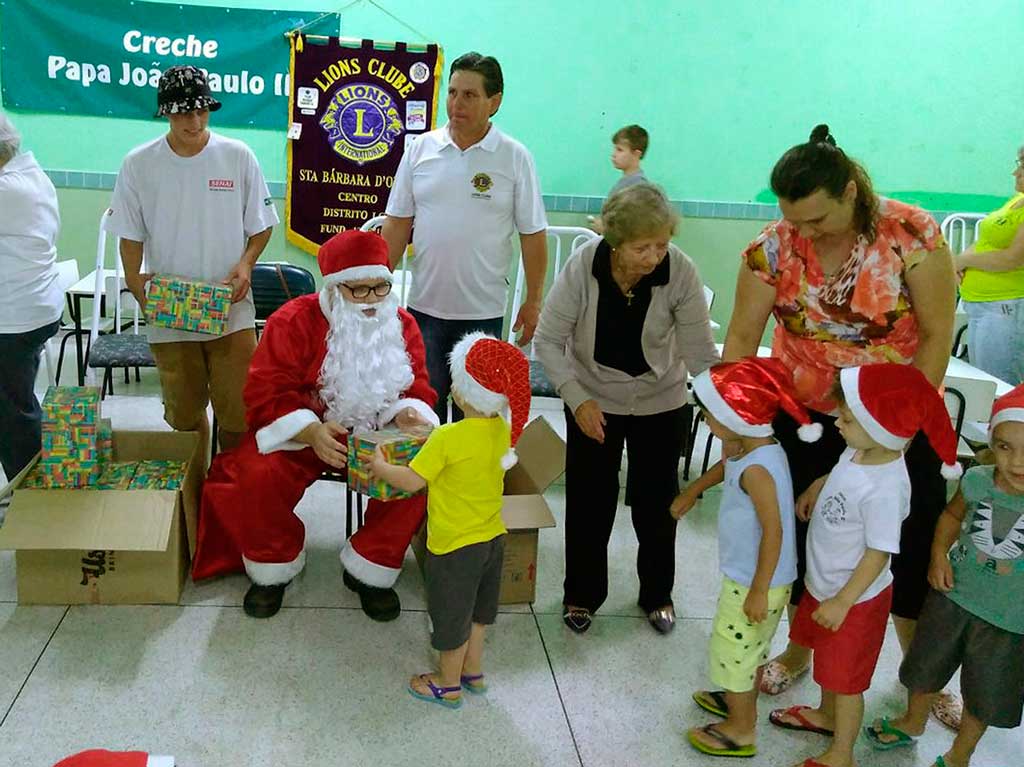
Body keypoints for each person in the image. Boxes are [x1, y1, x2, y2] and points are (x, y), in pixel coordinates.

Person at [721, 125, 957, 705]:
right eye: (793, 219)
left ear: (850, 192)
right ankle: (799, 653)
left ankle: (923, 680)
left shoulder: (912, 235)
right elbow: (742, 336)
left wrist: (897, 432)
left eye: (816, 220)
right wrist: (737, 417)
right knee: (808, 540)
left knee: (906, 539)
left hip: (897, 417)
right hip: (805, 417)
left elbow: (935, 333)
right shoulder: (771, 248)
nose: (802, 232)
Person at [191, 231, 439, 621]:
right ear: (336, 288)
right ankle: (274, 564)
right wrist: (309, 431)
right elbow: (265, 391)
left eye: (381, 287)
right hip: (308, 433)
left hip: (377, 436)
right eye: (360, 290)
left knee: (424, 467)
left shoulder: (401, 322)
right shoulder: (292, 321)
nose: (374, 301)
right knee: (257, 471)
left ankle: (371, 565)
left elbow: (418, 385)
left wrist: (409, 412)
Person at [534, 182, 719, 635]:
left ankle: (657, 594)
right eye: (642, 248)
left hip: (662, 400)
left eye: (662, 245)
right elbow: (548, 342)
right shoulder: (583, 266)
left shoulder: (680, 271)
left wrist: (722, 407)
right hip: (593, 400)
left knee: (657, 505)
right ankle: (582, 594)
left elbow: (700, 353)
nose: (654, 257)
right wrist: (577, 400)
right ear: (615, 242)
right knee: (589, 502)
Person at [767, 364, 960, 767]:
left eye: (848, 418)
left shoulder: (886, 488)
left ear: (884, 426)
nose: (837, 421)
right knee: (827, 665)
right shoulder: (860, 450)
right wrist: (818, 486)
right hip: (826, 585)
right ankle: (824, 713)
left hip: (853, 601)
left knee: (847, 683)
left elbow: (878, 554)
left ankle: (842, 754)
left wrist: (842, 602)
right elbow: (842, 472)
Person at [105, 65, 279, 452]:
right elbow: (129, 234)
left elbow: (262, 224)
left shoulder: (236, 156)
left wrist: (247, 262)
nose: (195, 121)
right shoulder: (139, 163)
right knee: (184, 418)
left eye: (202, 111)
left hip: (229, 307)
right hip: (171, 310)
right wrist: (135, 282)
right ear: (165, 112)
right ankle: (193, 499)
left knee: (238, 413)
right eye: (184, 112)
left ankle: (230, 495)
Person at [381, 51, 548, 423]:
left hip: (483, 314)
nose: (457, 104)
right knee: (424, 415)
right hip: (424, 309)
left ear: (495, 101)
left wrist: (534, 300)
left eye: (470, 95)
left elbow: (533, 235)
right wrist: (378, 284)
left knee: (477, 420)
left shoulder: (514, 157)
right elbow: (396, 222)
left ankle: (470, 483)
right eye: (453, 92)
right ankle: (427, 484)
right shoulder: (419, 149)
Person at [865, 384, 1024, 767]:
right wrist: (938, 554)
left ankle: (959, 755)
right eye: (1005, 447)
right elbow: (952, 516)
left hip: (1009, 621)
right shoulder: (978, 480)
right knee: (925, 666)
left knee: (985, 694)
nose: (1018, 462)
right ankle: (912, 721)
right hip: (953, 597)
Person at [369, 332, 530, 709]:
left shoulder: (446, 438)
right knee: (478, 613)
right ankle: (474, 672)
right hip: (493, 540)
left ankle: (448, 683)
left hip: (454, 547)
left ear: (461, 394)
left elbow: (411, 480)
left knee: (451, 617)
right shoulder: (503, 431)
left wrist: (380, 466)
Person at [675, 359, 812, 758]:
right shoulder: (752, 447)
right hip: (751, 576)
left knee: (731, 651)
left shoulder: (759, 471)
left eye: (712, 414)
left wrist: (757, 590)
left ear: (739, 416)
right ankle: (740, 701)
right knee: (747, 648)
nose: (704, 419)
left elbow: (775, 532)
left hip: (758, 581)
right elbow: (725, 465)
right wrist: (692, 491)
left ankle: (741, 728)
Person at [0, 111, 63, 496]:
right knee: (14, 402)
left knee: (13, 410)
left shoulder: (12, 189)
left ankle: (34, 496)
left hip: (15, 317)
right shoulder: (30, 177)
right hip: (30, 307)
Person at [953, 146, 1024, 384]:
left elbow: (1012, 258)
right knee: (983, 379)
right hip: (982, 305)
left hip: (1007, 306)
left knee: (1000, 385)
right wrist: (957, 263)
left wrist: (964, 260)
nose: (1016, 173)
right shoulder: (1016, 202)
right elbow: (985, 241)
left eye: (1023, 166)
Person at [589, 124, 649, 234]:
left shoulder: (639, 187)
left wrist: (605, 230)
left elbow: (635, 229)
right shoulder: (624, 183)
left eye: (620, 150)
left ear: (636, 154)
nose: (614, 154)